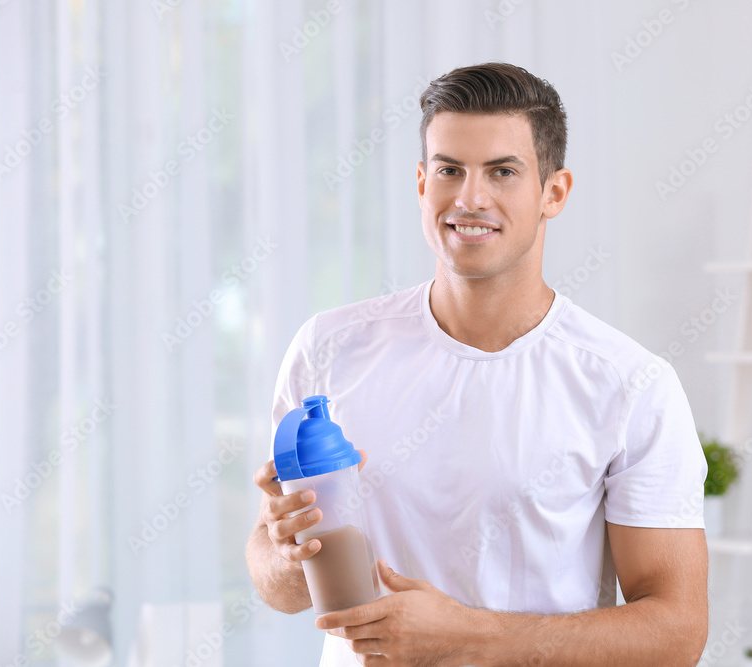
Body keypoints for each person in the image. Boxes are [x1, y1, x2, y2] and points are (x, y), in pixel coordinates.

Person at [247, 62, 709, 666]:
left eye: (502, 171)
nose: (470, 197)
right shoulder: (330, 348)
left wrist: (467, 636)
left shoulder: (629, 384)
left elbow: (675, 633)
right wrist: (285, 552)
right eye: (449, 170)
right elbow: (279, 586)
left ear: (554, 192)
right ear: (421, 183)